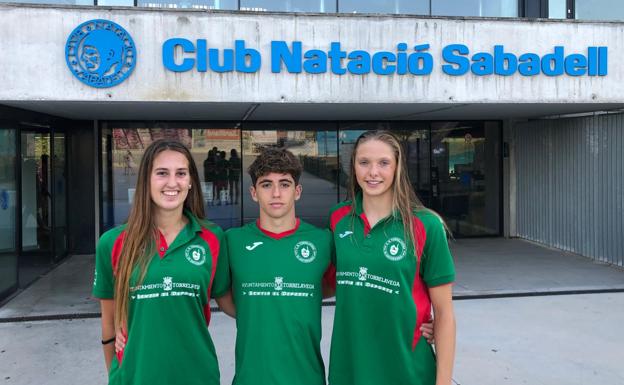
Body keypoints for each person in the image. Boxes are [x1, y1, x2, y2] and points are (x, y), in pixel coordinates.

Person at [92, 139, 230, 385]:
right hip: (135, 378)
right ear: (146, 180)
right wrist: (116, 375)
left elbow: (232, 303)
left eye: (181, 173)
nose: (172, 183)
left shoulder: (212, 238)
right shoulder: (112, 243)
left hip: (198, 376)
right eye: (162, 173)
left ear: (190, 182)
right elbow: (108, 326)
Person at [326, 130, 456, 385]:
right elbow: (326, 282)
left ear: (397, 167)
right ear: (353, 167)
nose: (373, 172)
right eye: (364, 162)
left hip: (407, 369)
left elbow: (444, 314)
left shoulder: (426, 225)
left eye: (383, 163)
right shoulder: (338, 219)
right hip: (349, 367)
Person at [218, 148, 332, 385]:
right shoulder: (232, 241)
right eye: (267, 184)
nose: (276, 193)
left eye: (285, 184)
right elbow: (224, 296)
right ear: (253, 192)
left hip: (307, 378)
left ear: (297, 191)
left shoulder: (323, 241)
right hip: (251, 378)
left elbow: (332, 287)